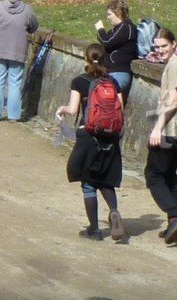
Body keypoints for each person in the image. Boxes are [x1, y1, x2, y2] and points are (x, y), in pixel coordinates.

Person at [61, 43, 127, 241]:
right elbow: (121, 110)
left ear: (86, 59)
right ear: (105, 59)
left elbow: (73, 110)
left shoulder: (79, 82)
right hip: (111, 137)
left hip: (88, 136)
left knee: (89, 184)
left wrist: (61, 109)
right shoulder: (113, 82)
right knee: (106, 180)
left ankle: (94, 229)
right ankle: (114, 211)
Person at [145, 25, 177, 245]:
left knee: (154, 176)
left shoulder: (175, 66)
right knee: (168, 175)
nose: (161, 50)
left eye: (164, 46)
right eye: (157, 47)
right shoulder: (176, 63)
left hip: (173, 129)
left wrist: (158, 127)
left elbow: (174, 100)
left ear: (174, 44)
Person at [0, 0, 40, 122]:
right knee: (15, 83)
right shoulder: (27, 10)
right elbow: (34, 26)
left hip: (0, 49)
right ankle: (13, 115)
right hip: (18, 50)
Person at [96, 0, 139, 96]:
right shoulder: (117, 29)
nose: (108, 18)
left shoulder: (126, 27)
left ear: (119, 13)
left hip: (118, 73)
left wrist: (100, 29)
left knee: (103, 97)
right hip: (110, 73)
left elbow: (106, 42)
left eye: (109, 14)